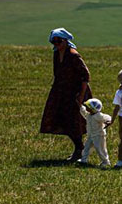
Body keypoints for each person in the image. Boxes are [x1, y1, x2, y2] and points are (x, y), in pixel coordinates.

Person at [39, 28, 92, 162]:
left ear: (65, 41)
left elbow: (85, 76)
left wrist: (81, 97)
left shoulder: (73, 55)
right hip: (61, 91)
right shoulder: (57, 54)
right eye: (54, 41)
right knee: (62, 119)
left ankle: (80, 149)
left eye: (59, 41)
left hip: (75, 92)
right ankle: (80, 148)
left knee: (74, 121)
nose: (56, 44)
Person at [79, 98, 112, 168]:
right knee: (86, 148)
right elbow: (83, 112)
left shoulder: (98, 116)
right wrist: (80, 106)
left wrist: (108, 121)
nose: (86, 108)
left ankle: (106, 162)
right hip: (91, 135)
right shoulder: (89, 115)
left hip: (99, 136)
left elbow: (107, 117)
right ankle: (83, 160)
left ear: (93, 109)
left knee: (100, 149)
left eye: (88, 107)